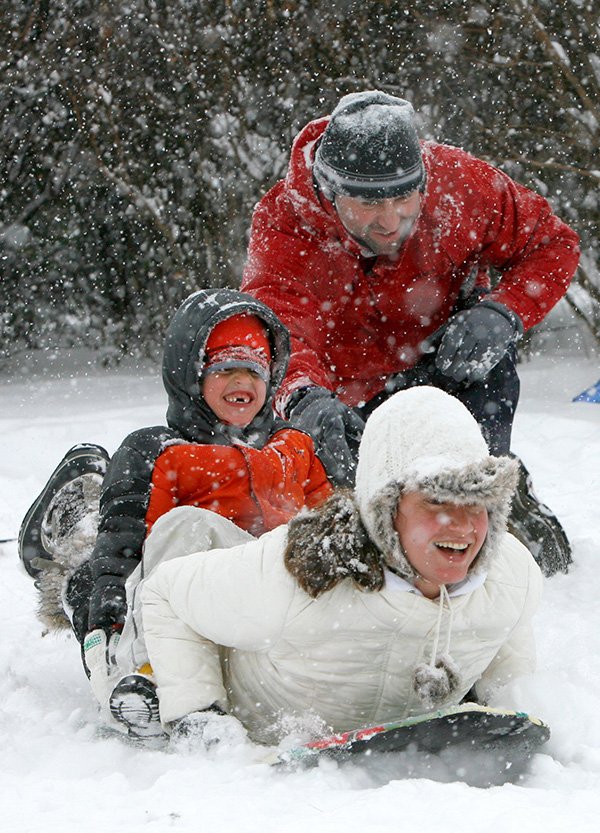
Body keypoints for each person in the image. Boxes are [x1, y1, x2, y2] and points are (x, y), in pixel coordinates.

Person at [241, 89, 580, 576]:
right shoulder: (283, 222)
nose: (391, 220)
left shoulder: (462, 184)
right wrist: (302, 396)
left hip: (439, 368)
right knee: (340, 528)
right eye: (368, 204)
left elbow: (552, 242)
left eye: (405, 198)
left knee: (486, 373)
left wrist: (506, 311)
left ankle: (483, 494)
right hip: (336, 391)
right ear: (330, 192)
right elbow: (276, 325)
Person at [135, 386, 543, 748]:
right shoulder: (296, 574)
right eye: (436, 502)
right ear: (385, 509)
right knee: (182, 530)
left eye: (477, 504)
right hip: (258, 713)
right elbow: (165, 593)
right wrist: (198, 715)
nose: (462, 525)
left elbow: (508, 662)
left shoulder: (512, 576)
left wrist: (506, 708)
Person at [18, 288, 333, 737]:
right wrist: (107, 603)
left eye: (254, 369)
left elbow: (332, 525)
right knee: (168, 535)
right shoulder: (157, 450)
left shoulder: (293, 449)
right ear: (191, 376)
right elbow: (123, 543)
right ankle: (144, 675)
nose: (241, 381)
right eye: (224, 368)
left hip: (262, 612)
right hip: (171, 609)